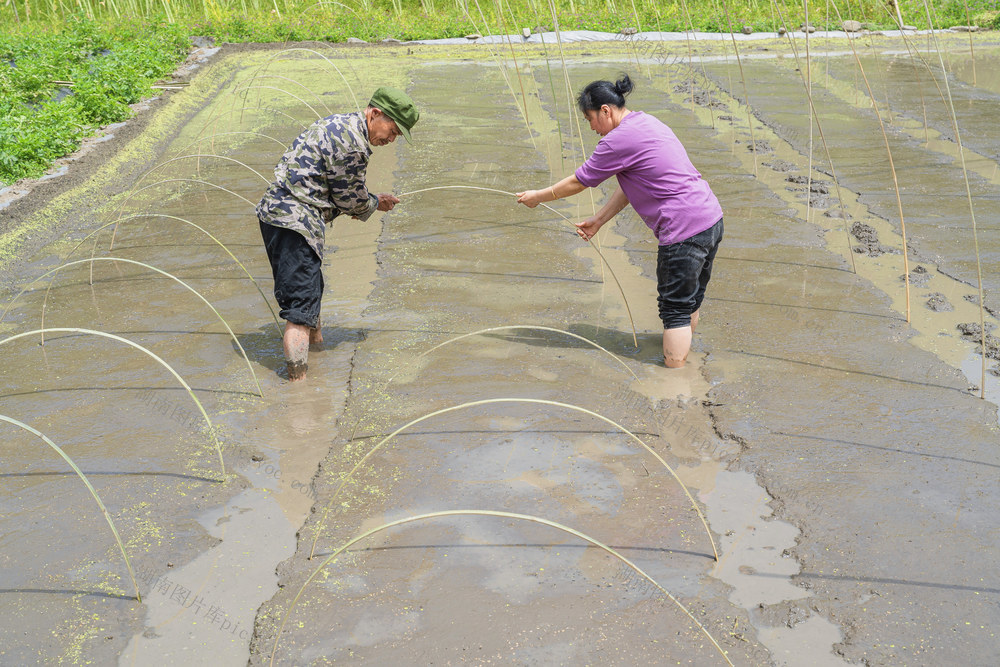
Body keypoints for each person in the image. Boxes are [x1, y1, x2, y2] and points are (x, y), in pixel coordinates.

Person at [516, 74, 723, 368]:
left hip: (683, 229)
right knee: (689, 300)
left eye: (590, 119)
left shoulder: (617, 140)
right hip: (710, 219)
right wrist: (599, 220)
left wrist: (539, 196)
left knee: (674, 309)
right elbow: (632, 183)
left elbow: (579, 181)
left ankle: (676, 378)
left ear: (605, 111)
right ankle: (685, 362)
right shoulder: (647, 122)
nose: (592, 127)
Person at [257, 87, 419, 381]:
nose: (391, 139)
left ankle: (317, 351)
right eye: (393, 131)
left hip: (278, 214)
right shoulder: (354, 145)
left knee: (311, 289)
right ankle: (299, 388)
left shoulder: (340, 123)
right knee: (299, 307)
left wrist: (369, 199)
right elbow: (350, 201)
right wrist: (375, 203)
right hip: (295, 220)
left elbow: (340, 188)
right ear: (375, 114)